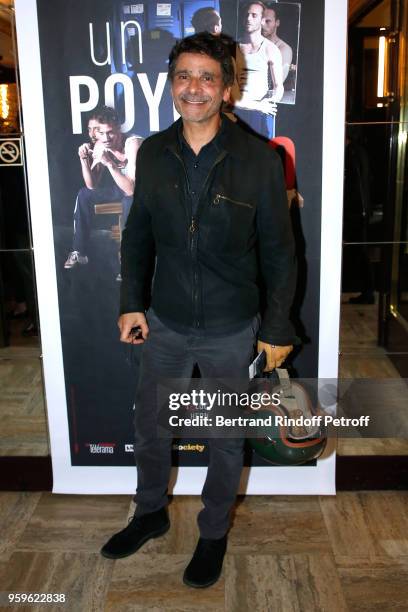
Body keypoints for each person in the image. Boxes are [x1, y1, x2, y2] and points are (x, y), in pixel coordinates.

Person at [101, 32, 297, 588]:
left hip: (231, 328)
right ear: (170, 85)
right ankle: (149, 514)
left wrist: (278, 325)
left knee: (226, 437)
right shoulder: (154, 152)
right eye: (184, 76)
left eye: (208, 77)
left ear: (227, 89)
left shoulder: (260, 160)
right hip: (163, 322)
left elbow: (282, 253)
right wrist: (131, 303)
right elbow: (137, 235)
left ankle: (213, 535)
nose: (195, 88)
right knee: (151, 426)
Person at [64, 106, 143, 269]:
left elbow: (132, 190)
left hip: (146, 191)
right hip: (123, 188)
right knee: (84, 194)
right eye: (101, 133)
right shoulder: (101, 145)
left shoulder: (133, 144)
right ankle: (79, 251)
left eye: (110, 132)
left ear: (119, 129)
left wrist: (109, 163)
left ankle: (129, 261)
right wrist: (83, 160)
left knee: (130, 200)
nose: (106, 138)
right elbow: (91, 185)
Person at [231, 1, 283, 139]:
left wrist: (270, 101)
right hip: (236, 112)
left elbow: (279, 86)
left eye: (254, 15)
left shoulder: (271, 49)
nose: (248, 19)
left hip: (258, 116)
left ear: (262, 20)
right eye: (246, 15)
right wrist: (258, 106)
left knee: (258, 156)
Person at [262, 4, 293, 83]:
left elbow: (277, 82)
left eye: (267, 21)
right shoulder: (253, 44)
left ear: (277, 23)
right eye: (261, 20)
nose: (262, 25)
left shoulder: (284, 49)